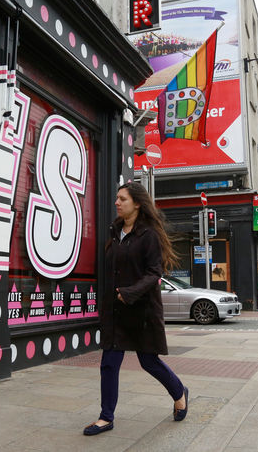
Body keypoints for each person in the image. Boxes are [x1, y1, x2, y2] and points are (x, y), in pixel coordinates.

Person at [84, 182, 188, 436]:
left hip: (142, 309)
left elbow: (155, 273)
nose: (117, 203)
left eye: (123, 199)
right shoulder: (115, 232)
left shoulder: (148, 235)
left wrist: (129, 293)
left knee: (149, 361)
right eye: (117, 198)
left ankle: (179, 392)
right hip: (116, 309)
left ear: (137, 203)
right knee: (109, 361)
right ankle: (105, 417)